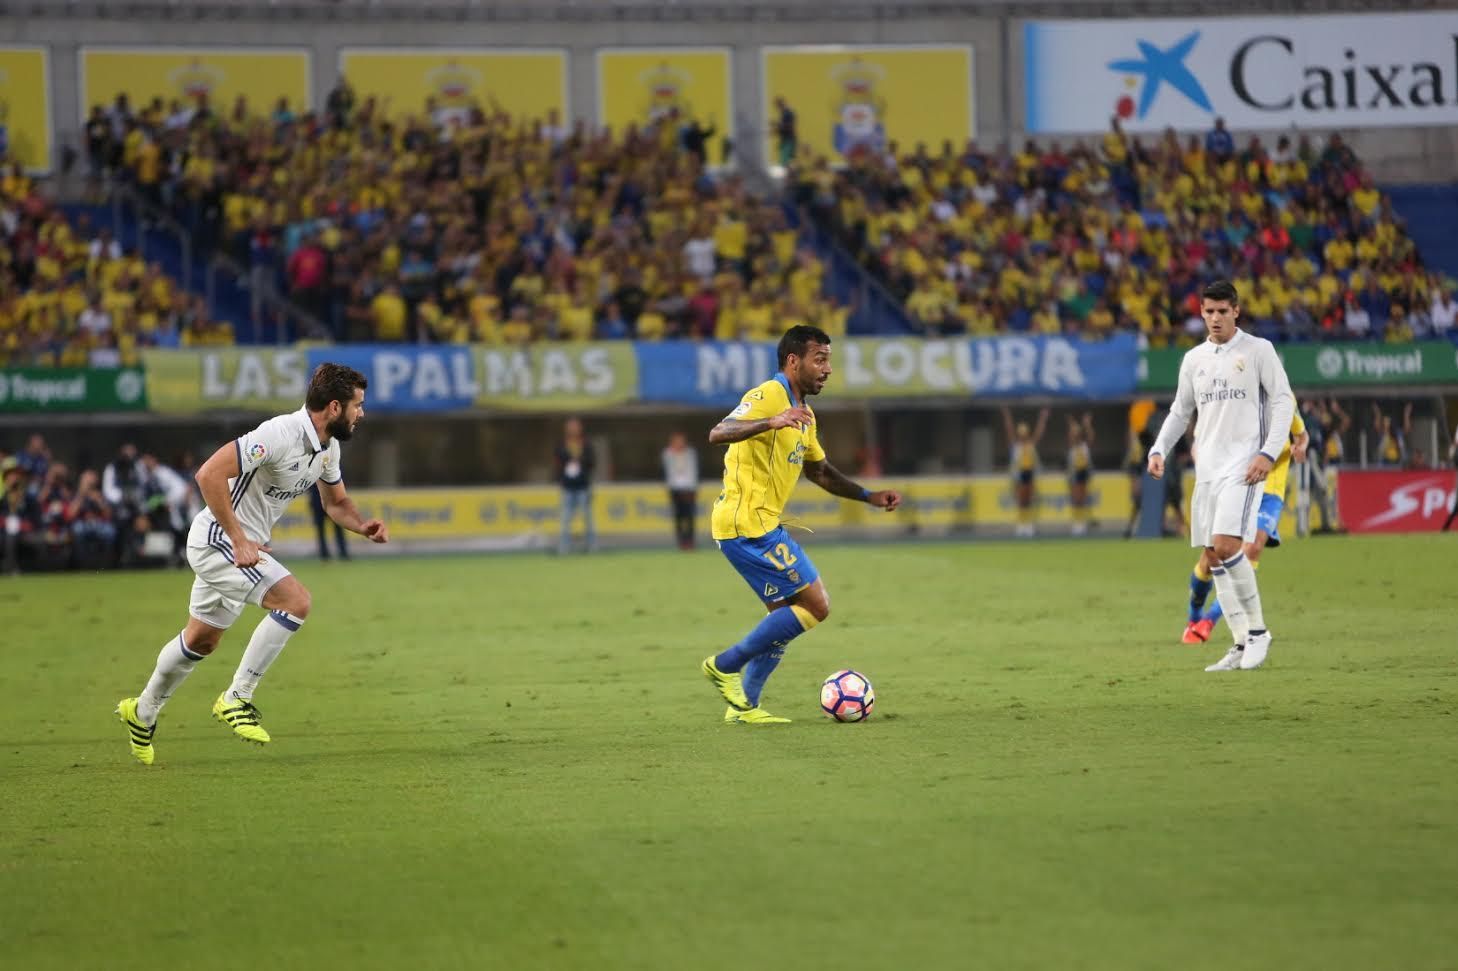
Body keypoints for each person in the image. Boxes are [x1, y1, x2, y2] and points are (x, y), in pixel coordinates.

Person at [115, 364, 388, 765]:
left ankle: (142, 712)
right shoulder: (279, 434)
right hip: (218, 542)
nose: (361, 413)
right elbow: (208, 474)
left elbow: (336, 503)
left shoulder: (328, 446)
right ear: (334, 407)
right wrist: (240, 541)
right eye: (357, 406)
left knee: (201, 640)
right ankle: (237, 697)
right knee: (295, 602)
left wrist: (362, 526)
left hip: (241, 548)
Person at [700, 325, 902, 725]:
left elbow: (821, 472)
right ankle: (724, 665)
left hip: (755, 525)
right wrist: (771, 421)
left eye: (829, 360)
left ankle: (745, 707)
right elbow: (718, 432)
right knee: (816, 605)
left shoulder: (805, 415)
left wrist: (868, 496)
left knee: (784, 618)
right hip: (748, 525)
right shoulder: (768, 396)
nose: (827, 369)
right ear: (794, 361)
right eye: (819, 359)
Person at [1148, 280, 1295, 672]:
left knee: (1228, 546)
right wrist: (1159, 447)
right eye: (1208, 311)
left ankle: (1259, 632)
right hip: (1207, 470)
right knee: (1213, 557)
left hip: (1244, 467)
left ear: (1236, 311)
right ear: (1201, 313)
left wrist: (1267, 453)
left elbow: (1283, 402)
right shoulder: (1194, 360)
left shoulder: (1258, 351)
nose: (1214, 318)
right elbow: (1181, 411)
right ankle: (1238, 643)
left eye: (1222, 311)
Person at [1182, 413, 1309, 644]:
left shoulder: (1284, 398)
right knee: (1211, 560)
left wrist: (1300, 447)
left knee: (1252, 549)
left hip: (1270, 493)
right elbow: (1199, 442)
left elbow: (1302, 435)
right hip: (1237, 486)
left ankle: (1208, 622)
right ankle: (1194, 617)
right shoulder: (1234, 396)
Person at [1002, 407, 1049, 538]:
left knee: (1028, 501)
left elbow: (1039, 433)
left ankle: (1028, 525)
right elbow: (1009, 430)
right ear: (1019, 434)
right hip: (1019, 474)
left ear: (1027, 433)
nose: (1023, 435)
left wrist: (1043, 418)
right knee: (1021, 501)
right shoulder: (1015, 445)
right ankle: (1021, 525)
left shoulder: (1031, 444)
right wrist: (1007, 415)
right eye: (1021, 433)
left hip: (1030, 473)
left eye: (1025, 433)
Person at [556, 417, 595, 554]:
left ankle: (591, 547)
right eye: (570, 426)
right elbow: (558, 462)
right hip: (567, 487)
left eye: (575, 426)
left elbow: (592, 462)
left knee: (587, 518)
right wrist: (569, 462)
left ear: (580, 428)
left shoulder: (586, 444)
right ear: (566, 429)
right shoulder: (562, 444)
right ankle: (564, 548)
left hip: (583, 486)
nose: (573, 429)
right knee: (565, 519)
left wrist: (580, 463)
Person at [662, 432, 699, 551]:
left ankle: (690, 542)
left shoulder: (690, 453)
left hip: (689, 489)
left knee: (690, 516)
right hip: (675, 489)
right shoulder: (668, 454)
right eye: (677, 441)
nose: (679, 443)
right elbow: (667, 472)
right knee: (678, 516)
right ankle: (681, 542)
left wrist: (693, 488)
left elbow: (693, 471)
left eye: (681, 440)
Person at [1066, 413, 1094, 537]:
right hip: (1075, 473)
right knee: (1076, 499)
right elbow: (1071, 435)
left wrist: (1087, 424)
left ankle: (1081, 522)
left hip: (1083, 472)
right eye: (1074, 435)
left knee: (1082, 499)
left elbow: (1091, 436)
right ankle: (1076, 522)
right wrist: (1072, 423)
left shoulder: (1084, 446)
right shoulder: (1072, 447)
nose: (1076, 437)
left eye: (1078, 435)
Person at [309, 483, 350, 560]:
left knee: (337, 529)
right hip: (320, 505)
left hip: (331, 504)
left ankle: (342, 552)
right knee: (322, 531)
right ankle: (325, 554)